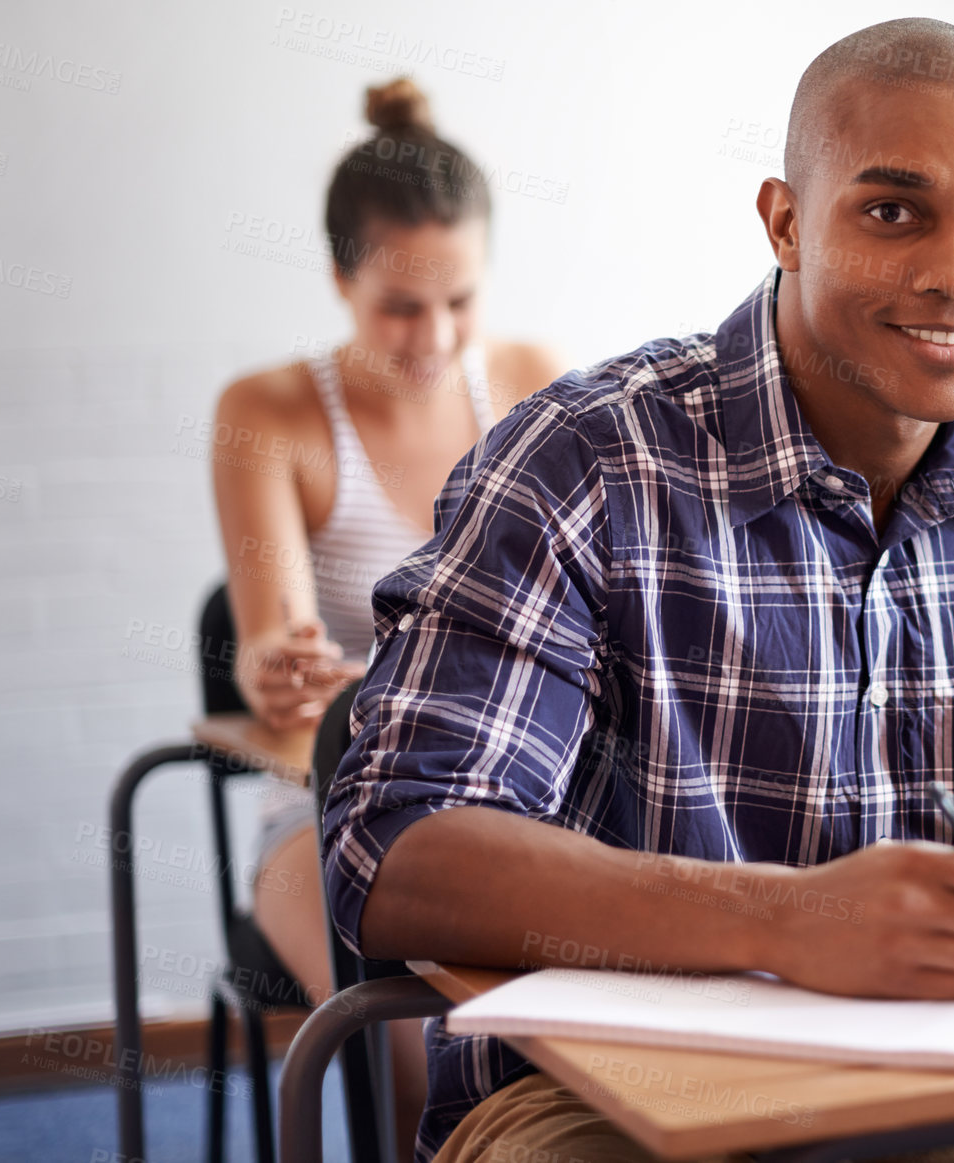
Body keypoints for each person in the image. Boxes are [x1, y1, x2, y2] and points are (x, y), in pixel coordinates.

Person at [325, 23, 954, 1163]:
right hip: (595, 1092)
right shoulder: (586, 459)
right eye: (892, 211)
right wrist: (790, 921)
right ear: (784, 222)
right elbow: (395, 850)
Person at [209, 76, 562, 1146]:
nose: (436, 336)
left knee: (571, 1039)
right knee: (410, 1055)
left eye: (460, 301)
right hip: (318, 807)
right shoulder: (268, 414)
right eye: (399, 307)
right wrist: (274, 663)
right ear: (337, 280)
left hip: (512, 799)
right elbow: (272, 638)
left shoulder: (535, 380)